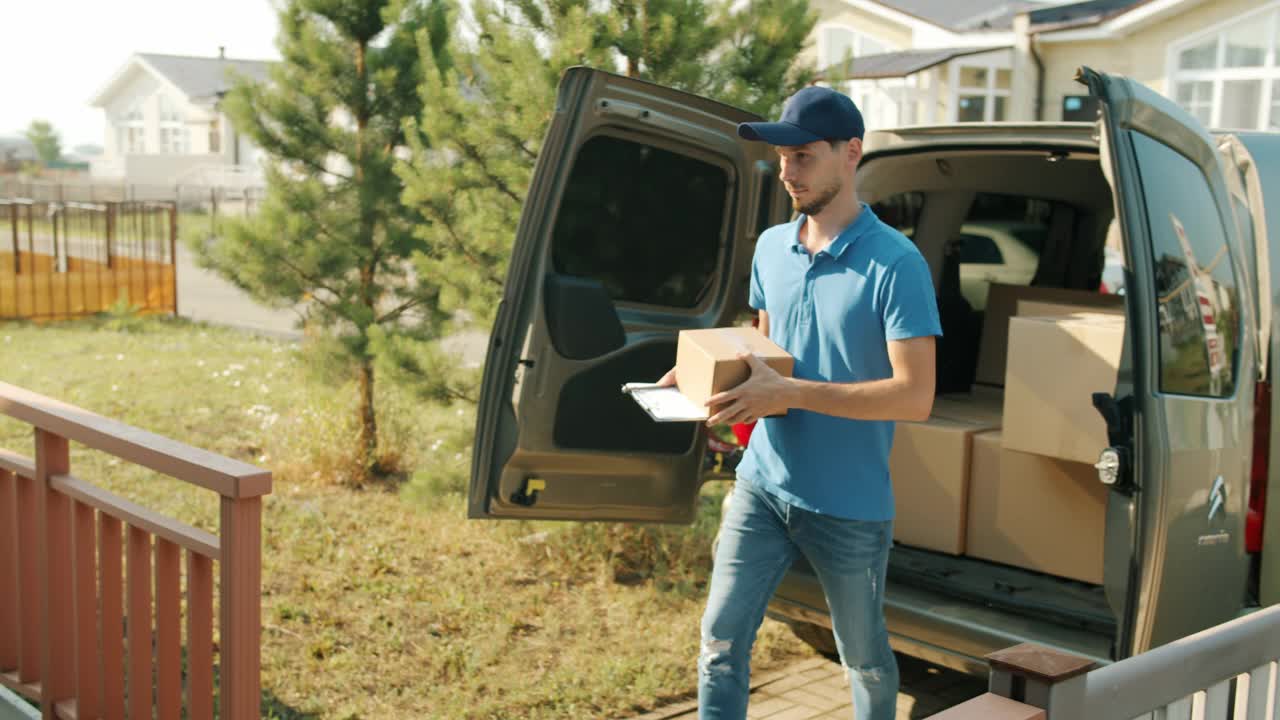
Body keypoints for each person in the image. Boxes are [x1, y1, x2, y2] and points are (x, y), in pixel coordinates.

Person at [656, 85, 941, 720]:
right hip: (762, 486)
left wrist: (789, 393)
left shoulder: (898, 265)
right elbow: (764, 344)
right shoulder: (770, 247)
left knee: (863, 661)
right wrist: (702, 370)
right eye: (783, 157)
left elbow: (915, 396)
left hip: (849, 506)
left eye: (804, 156)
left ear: (852, 154)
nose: (787, 171)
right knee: (720, 643)